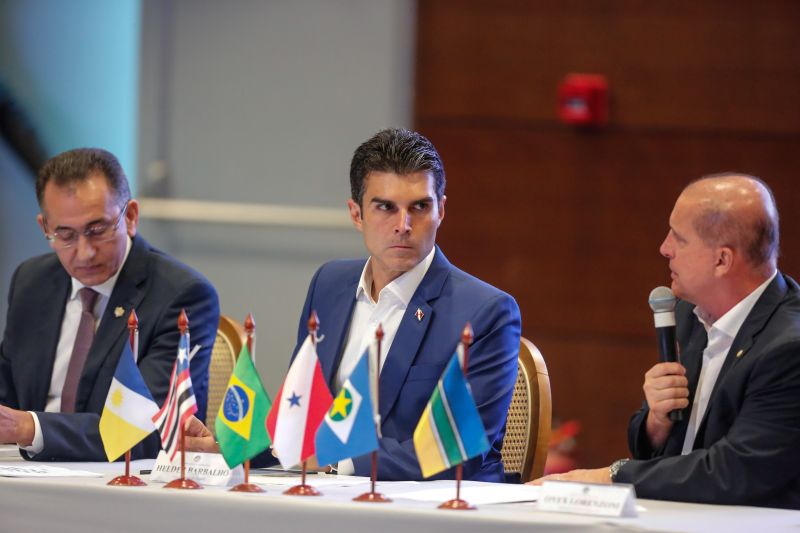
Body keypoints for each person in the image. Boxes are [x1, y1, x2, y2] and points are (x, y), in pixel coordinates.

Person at [187, 128, 521, 482]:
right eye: (385, 207)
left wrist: (336, 464)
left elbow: (458, 453)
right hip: (328, 499)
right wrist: (231, 450)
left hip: (434, 508)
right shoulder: (329, 284)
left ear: (441, 210)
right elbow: (300, 418)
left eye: (419, 207)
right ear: (356, 214)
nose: (403, 226)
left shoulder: (486, 312)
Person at [532, 173, 800, 509]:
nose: (664, 248)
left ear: (722, 260)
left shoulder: (789, 348)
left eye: (679, 238)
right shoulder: (690, 313)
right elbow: (655, 449)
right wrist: (655, 423)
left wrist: (613, 476)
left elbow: (735, 472)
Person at [0, 148, 219, 461]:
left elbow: (148, 429)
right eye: (65, 234)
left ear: (130, 217)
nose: (85, 251)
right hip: (24, 475)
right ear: (45, 228)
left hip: (123, 485)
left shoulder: (182, 295)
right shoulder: (31, 282)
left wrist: (28, 427)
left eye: (97, 229)